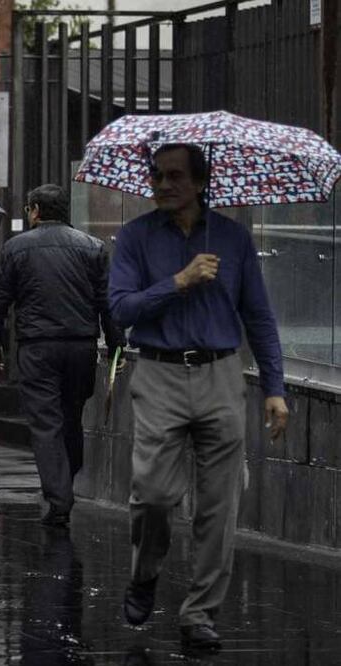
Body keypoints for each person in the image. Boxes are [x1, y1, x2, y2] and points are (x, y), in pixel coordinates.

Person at [109, 143, 288, 652]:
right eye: (157, 176)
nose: (163, 185)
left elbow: (259, 316)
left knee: (219, 505)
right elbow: (121, 309)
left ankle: (200, 613)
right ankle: (145, 572)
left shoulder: (232, 238)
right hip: (159, 373)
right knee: (153, 496)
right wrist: (179, 282)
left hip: (221, 375)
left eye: (175, 176)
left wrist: (275, 388)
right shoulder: (136, 238)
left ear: (201, 182)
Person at [0, 184, 125, 527]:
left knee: (46, 423)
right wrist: (116, 345)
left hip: (38, 347)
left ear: (34, 211)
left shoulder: (16, 248)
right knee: (71, 417)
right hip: (81, 346)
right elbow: (108, 302)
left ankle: (59, 498)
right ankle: (65, 481)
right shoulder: (92, 247)